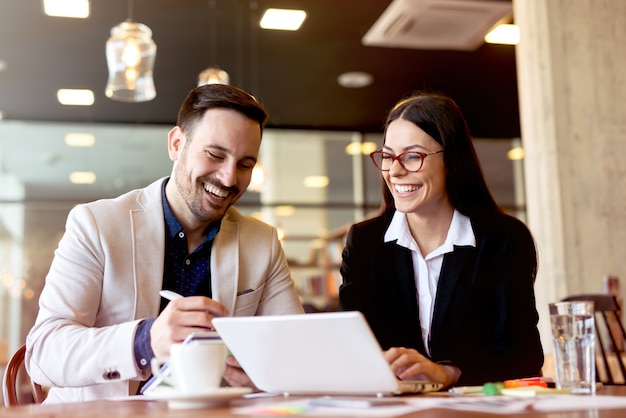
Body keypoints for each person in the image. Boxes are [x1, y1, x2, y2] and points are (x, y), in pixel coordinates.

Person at [26, 84, 304, 403]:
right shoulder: (96, 224)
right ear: (176, 144)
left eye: (245, 165)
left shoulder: (262, 242)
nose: (229, 179)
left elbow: (293, 349)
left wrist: (263, 374)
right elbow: (44, 353)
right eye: (215, 155)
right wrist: (145, 341)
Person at [338, 91, 543, 389]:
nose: (394, 171)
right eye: (387, 156)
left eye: (411, 156)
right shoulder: (365, 242)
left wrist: (448, 373)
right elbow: (349, 349)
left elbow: (524, 357)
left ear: (452, 157)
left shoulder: (502, 239)